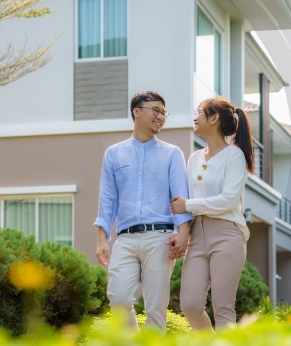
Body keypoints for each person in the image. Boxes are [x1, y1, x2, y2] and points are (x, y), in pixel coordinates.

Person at [94, 90, 192, 331]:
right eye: (155, 110)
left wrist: (183, 233)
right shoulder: (114, 154)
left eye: (163, 112)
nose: (161, 116)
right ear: (136, 112)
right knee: (118, 299)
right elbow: (108, 199)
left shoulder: (172, 154)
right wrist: (101, 240)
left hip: (160, 238)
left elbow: (181, 198)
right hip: (125, 239)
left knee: (155, 308)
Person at [170, 96, 254, 332]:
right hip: (197, 237)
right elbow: (182, 200)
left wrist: (189, 205)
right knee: (189, 303)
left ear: (214, 118)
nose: (194, 118)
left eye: (199, 112)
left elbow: (228, 200)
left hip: (227, 233)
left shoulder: (234, 156)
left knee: (223, 307)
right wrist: (183, 230)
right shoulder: (194, 158)